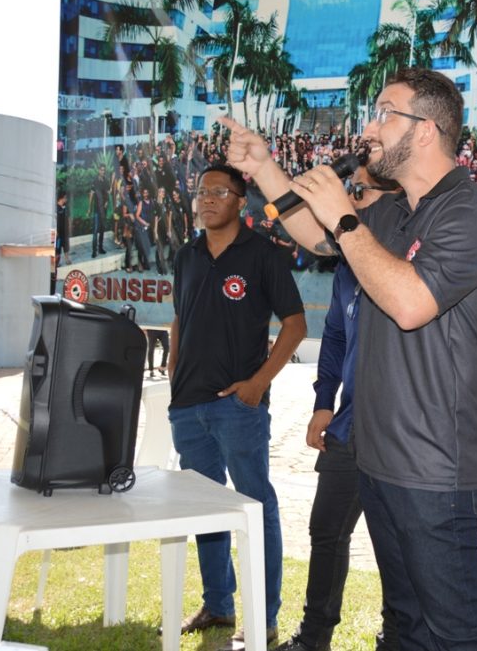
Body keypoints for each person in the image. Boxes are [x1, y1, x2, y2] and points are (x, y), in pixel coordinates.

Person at [223, 67, 477, 651]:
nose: (370, 129)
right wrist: (265, 168)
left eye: (384, 114)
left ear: (425, 130)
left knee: (457, 629)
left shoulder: (471, 212)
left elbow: (410, 303)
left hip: (434, 467)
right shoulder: (395, 212)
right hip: (379, 460)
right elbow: (319, 237)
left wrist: (345, 215)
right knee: (407, 623)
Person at [167, 163, 306, 650]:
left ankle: (262, 618)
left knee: (255, 508)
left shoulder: (263, 254)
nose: (207, 199)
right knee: (206, 510)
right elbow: (180, 318)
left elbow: (295, 325)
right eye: (201, 191)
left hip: (238, 407)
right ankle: (218, 604)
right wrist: (174, 372)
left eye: (219, 192)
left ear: (241, 202)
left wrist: (257, 384)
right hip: (188, 407)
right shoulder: (186, 255)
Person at [287, 167, 402, 651]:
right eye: (349, 190)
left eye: (360, 191)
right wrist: (323, 402)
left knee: (396, 544)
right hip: (347, 426)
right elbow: (334, 335)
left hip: (400, 433)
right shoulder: (346, 266)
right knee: (326, 532)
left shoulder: (410, 263)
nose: (350, 200)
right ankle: (313, 638)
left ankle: (397, 638)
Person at [91, 165, 109, 256]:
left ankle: (100, 248)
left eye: (104, 170)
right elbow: (91, 194)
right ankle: (94, 251)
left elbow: (107, 193)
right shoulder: (95, 181)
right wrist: (89, 208)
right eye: (101, 170)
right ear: (99, 170)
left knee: (102, 229)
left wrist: (107, 202)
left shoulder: (106, 181)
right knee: (95, 230)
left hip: (104, 210)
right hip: (96, 209)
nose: (103, 172)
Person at [55, 192, 72, 266]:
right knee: (57, 247)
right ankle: (57, 262)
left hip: (65, 231)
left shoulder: (66, 207)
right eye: (65, 198)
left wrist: (69, 227)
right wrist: (55, 230)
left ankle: (67, 259)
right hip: (58, 232)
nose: (66, 199)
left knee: (66, 246)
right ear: (61, 198)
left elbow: (69, 217)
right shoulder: (55, 208)